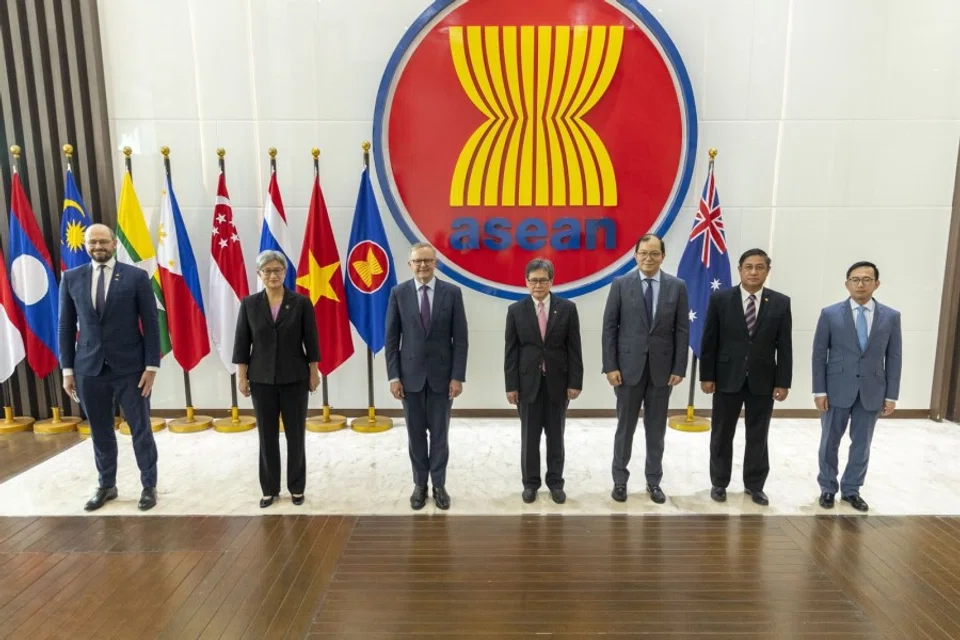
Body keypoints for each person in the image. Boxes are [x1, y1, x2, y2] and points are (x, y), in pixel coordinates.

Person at [59, 223, 161, 511]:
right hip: (88, 369)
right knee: (100, 431)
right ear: (85, 245)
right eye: (92, 242)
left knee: (140, 429)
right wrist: (67, 370)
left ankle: (149, 486)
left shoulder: (136, 277)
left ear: (114, 244)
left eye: (103, 241)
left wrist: (151, 366)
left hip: (132, 369)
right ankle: (107, 485)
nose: (98, 247)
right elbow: (65, 326)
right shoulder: (71, 278)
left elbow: (151, 324)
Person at [700, 248, 792, 506]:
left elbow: (784, 346)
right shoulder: (721, 299)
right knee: (721, 433)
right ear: (739, 269)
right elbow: (710, 340)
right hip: (726, 377)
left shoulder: (781, 302)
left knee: (758, 434)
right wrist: (706, 376)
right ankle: (719, 483)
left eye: (759, 267)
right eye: (748, 266)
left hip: (763, 380)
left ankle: (755, 485)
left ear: (767, 271)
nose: (754, 272)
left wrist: (783, 382)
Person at [602, 234, 689, 504]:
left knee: (656, 429)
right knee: (625, 428)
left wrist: (679, 366)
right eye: (643, 253)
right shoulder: (620, 284)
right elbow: (609, 328)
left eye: (654, 254)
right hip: (627, 370)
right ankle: (620, 480)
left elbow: (682, 330)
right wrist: (610, 366)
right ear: (635, 255)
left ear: (663, 256)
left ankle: (654, 481)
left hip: (662, 370)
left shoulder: (677, 286)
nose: (648, 258)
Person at [233, 250, 320, 508]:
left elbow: (311, 341)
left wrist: (313, 373)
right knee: (266, 436)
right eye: (267, 271)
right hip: (261, 380)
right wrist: (242, 376)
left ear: (285, 273)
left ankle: (296, 487)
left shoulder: (301, 302)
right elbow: (242, 343)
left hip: (295, 378)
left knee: (296, 436)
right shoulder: (249, 304)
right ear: (259, 275)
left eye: (277, 270)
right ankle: (269, 489)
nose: (273, 275)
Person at [812, 261, 901, 512]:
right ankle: (827, 488)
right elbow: (819, 354)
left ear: (876, 284)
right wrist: (819, 390)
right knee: (829, 441)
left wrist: (891, 394)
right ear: (847, 283)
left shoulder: (891, 317)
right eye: (855, 279)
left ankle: (852, 490)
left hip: (873, 390)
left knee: (862, 444)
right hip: (836, 388)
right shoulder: (829, 314)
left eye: (866, 279)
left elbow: (894, 357)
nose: (860, 284)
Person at [385, 242, 468, 511]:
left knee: (440, 435)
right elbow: (391, 339)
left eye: (428, 261)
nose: (423, 265)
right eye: (418, 261)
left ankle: (439, 485)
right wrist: (393, 376)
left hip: (443, 380)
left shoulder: (452, 293)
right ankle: (420, 485)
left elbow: (461, 340)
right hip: (409, 380)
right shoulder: (398, 293)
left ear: (436, 264)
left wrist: (457, 377)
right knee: (416, 435)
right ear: (410, 265)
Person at [504, 258, 583, 504]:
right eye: (533, 280)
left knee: (556, 436)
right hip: (528, 385)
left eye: (543, 280)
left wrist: (575, 382)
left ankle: (555, 483)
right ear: (526, 282)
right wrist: (511, 386)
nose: (538, 285)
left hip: (558, 385)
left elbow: (574, 349)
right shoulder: (516, 310)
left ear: (552, 281)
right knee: (529, 437)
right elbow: (511, 351)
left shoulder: (567, 308)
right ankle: (530, 483)